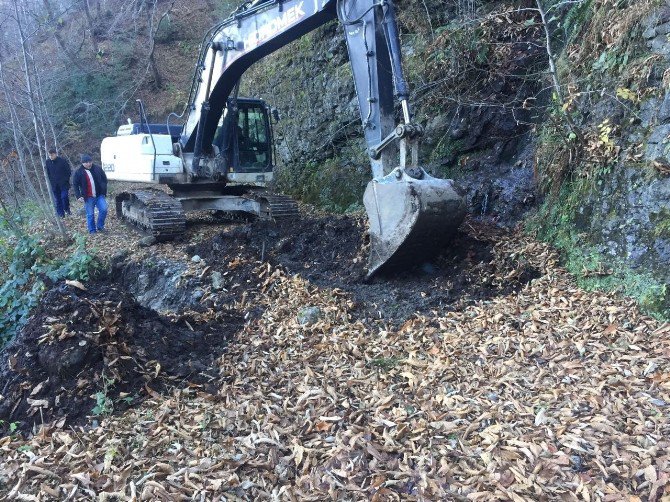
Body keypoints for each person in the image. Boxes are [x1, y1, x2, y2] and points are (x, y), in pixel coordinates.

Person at [72, 154, 108, 234]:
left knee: (104, 210)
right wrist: (78, 195)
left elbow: (104, 179)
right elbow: (75, 184)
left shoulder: (97, 168)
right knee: (90, 214)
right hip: (88, 197)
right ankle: (92, 231)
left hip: (99, 195)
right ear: (82, 163)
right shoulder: (78, 172)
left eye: (90, 162)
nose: (89, 164)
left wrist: (103, 189)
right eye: (86, 162)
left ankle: (100, 226)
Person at [45, 147, 72, 218]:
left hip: (64, 184)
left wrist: (65, 180)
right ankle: (61, 214)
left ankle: (67, 209)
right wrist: (51, 181)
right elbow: (48, 173)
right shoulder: (47, 162)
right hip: (54, 185)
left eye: (52, 155)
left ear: (56, 154)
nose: (51, 156)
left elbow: (68, 171)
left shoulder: (62, 161)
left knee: (64, 197)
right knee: (57, 200)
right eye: (49, 155)